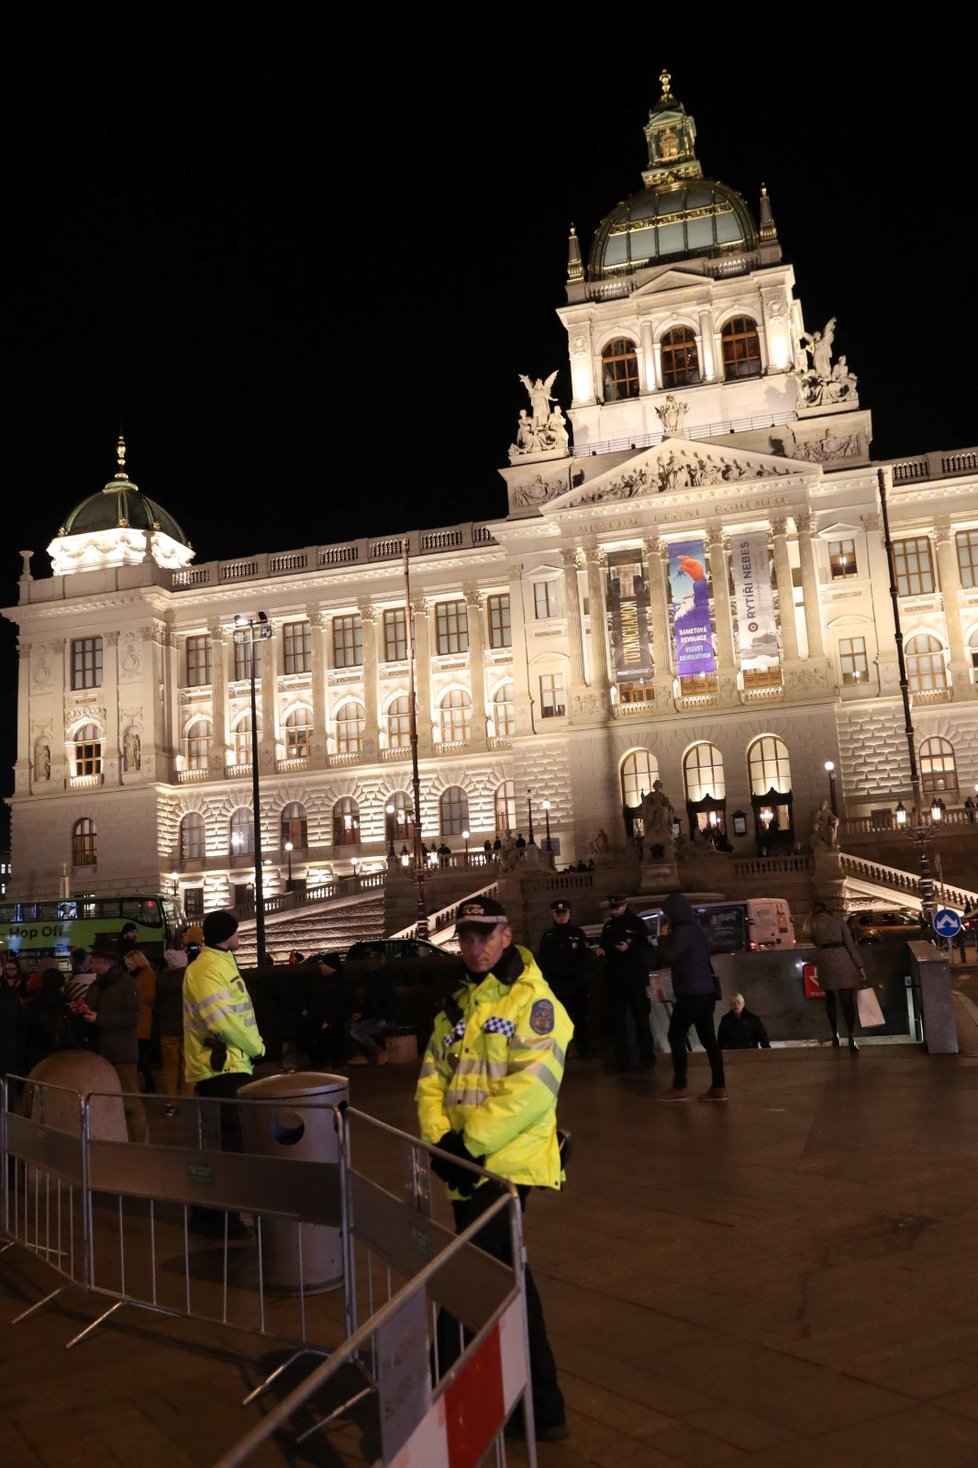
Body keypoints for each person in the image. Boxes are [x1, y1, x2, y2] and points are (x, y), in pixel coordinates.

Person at [416, 895, 571, 1444]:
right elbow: (432, 1075)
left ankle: (435, 1396)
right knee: (507, 1279)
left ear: (508, 935)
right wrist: (441, 1143)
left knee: (470, 1278)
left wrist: (468, 1146)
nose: (476, 945)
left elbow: (530, 1090)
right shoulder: (457, 1004)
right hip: (464, 1164)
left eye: (486, 934)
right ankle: (542, 1406)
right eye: (467, 936)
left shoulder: (536, 1002)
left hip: (505, 1166)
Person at [183, 909, 266, 1236]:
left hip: (232, 1063)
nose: (240, 935)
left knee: (227, 1146)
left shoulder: (216, 964)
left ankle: (217, 1215)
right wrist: (256, 1046)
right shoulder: (206, 969)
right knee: (227, 1147)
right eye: (236, 931)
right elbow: (223, 1020)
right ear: (226, 936)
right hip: (221, 1066)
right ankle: (218, 1219)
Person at [70, 934, 149, 1142]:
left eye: (95, 959)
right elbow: (94, 1008)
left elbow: (132, 1017)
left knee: (131, 1102)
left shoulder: (127, 984)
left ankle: (141, 1145)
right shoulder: (97, 985)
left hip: (121, 1053)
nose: (92, 962)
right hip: (99, 1052)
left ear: (107, 962)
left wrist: (99, 1018)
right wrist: (83, 1009)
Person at [653, 893, 727, 1101]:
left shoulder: (683, 932)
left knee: (675, 1036)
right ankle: (719, 1086)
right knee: (709, 1039)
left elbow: (669, 955)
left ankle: (680, 1085)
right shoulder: (696, 929)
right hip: (705, 991)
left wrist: (663, 938)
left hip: (690, 993)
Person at [598, 896, 655, 1073]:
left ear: (624, 905)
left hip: (635, 979)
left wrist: (630, 949)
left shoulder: (637, 923)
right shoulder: (608, 926)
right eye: (612, 908)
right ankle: (623, 1059)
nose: (614, 911)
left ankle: (647, 1058)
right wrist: (602, 950)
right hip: (616, 979)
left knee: (641, 1019)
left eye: (617, 907)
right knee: (619, 1021)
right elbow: (604, 945)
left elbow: (646, 948)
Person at [536, 899, 593, 1059]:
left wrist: (572, 971)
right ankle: (563, 1052)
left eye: (564, 914)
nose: (561, 917)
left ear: (569, 915)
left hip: (577, 983)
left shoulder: (578, 934)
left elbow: (585, 956)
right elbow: (543, 960)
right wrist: (557, 973)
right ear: (553, 916)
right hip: (557, 985)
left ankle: (585, 1051)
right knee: (559, 1021)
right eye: (558, 914)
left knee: (581, 1019)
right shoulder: (548, 936)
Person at [808, 900, 866, 1051]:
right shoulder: (838, 921)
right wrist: (860, 966)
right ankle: (852, 1037)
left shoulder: (812, 924)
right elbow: (850, 944)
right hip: (843, 960)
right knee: (847, 1003)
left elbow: (814, 941)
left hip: (825, 961)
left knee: (830, 1001)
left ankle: (835, 1035)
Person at [347, 950, 397, 1066]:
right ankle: (360, 1055)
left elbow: (376, 1002)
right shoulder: (383, 977)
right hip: (383, 1015)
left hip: (384, 1018)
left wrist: (362, 1016)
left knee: (356, 1031)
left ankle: (380, 1053)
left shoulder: (377, 979)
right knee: (352, 1027)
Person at [124, 947, 158, 1092]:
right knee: (139, 1054)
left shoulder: (147, 974)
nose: (127, 965)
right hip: (135, 1017)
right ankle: (143, 1083)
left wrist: (134, 996)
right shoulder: (132, 974)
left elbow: (150, 996)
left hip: (143, 1018)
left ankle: (148, 1084)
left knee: (141, 1054)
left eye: (129, 962)